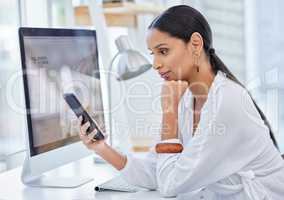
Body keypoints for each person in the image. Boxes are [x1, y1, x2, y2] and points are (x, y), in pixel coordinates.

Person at [79, 5, 284, 199]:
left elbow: (170, 185)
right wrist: (101, 148)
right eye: (153, 54)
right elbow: (155, 172)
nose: (156, 64)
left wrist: (169, 111)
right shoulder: (188, 97)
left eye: (164, 51)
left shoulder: (227, 100)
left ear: (195, 44)